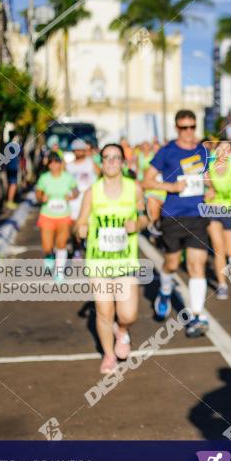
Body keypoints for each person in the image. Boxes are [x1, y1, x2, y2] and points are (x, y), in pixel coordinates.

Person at [76, 143, 147, 374]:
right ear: (101, 162)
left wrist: (137, 224)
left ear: (124, 163)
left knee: (128, 314)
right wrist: (81, 228)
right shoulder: (92, 192)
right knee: (104, 310)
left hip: (125, 261)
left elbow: (145, 217)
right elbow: (80, 221)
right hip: (98, 261)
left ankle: (123, 330)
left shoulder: (134, 189)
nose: (112, 162)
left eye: (116, 158)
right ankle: (108, 355)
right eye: (107, 158)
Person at [142, 110, 212, 338]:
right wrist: (171, 187)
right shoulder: (167, 152)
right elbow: (146, 180)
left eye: (192, 126)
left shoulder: (202, 151)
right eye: (184, 127)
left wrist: (210, 189)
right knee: (171, 264)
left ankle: (197, 315)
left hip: (197, 215)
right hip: (173, 216)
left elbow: (207, 178)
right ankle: (164, 290)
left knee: (196, 265)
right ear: (176, 128)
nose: (188, 132)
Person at [205, 141, 231, 300]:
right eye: (220, 149)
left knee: (230, 250)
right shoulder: (209, 169)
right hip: (213, 209)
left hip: (229, 210)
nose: (223, 152)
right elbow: (206, 188)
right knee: (218, 248)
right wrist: (209, 192)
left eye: (227, 149)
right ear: (215, 151)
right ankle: (222, 285)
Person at [35, 152, 79, 281]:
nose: (54, 165)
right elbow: (38, 193)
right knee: (47, 246)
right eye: (51, 162)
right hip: (47, 215)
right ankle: (49, 256)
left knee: (61, 243)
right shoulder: (44, 178)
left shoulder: (67, 177)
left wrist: (72, 195)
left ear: (60, 163)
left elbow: (76, 190)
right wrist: (41, 198)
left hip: (64, 215)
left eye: (56, 162)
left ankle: (59, 272)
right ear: (48, 165)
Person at [67, 139, 100, 257]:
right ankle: (77, 248)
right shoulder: (69, 166)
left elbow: (101, 175)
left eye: (81, 150)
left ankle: (88, 247)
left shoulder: (91, 163)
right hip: (74, 201)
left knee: (89, 224)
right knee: (74, 225)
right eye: (76, 150)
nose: (79, 152)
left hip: (90, 199)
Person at [4, 133, 21, 210]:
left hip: (8, 167)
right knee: (13, 185)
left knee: (9, 184)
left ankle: (8, 200)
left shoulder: (7, 145)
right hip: (13, 168)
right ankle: (10, 201)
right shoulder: (15, 146)